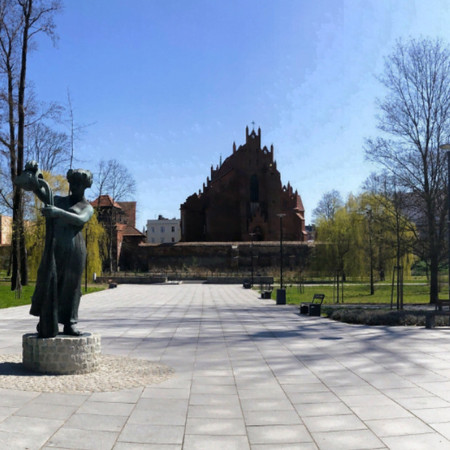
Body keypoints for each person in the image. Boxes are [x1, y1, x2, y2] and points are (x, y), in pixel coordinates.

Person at [15, 162, 93, 337]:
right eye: (73, 183)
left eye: (79, 184)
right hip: (55, 247)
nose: (75, 186)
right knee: (50, 281)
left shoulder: (87, 206)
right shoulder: (60, 201)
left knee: (72, 286)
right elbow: (41, 191)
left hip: (75, 250)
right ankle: (48, 319)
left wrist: (58, 213)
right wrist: (35, 173)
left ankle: (70, 322)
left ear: (85, 186)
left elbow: (80, 219)